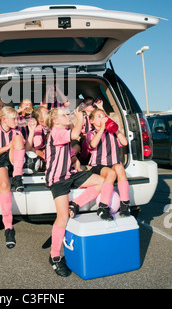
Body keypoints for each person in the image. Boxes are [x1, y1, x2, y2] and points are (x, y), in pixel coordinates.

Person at [45, 107, 110, 277]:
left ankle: (76, 205)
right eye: (63, 115)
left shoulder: (64, 130)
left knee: (103, 182)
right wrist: (79, 118)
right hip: (58, 179)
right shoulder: (56, 132)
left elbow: (72, 143)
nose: (67, 116)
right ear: (55, 121)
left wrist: (75, 160)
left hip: (70, 174)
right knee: (62, 217)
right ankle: (55, 257)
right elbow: (74, 135)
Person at [0, 106, 26, 249]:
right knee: (4, 185)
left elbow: (23, 148)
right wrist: (8, 147)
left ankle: (18, 176)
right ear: (4, 119)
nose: (17, 120)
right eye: (14, 118)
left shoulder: (16, 132)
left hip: (12, 158)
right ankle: (8, 228)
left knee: (18, 138)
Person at [86, 108, 131, 219]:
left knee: (120, 167)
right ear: (91, 121)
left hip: (113, 163)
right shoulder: (91, 134)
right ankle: (103, 206)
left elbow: (124, 142)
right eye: (99, 116)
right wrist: (102, 128)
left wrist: (116, 129)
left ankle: (125, 203)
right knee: (111, 173)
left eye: (104, 116)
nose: (103, 118)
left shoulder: (112, 133)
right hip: (98, 165)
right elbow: (93, 144)